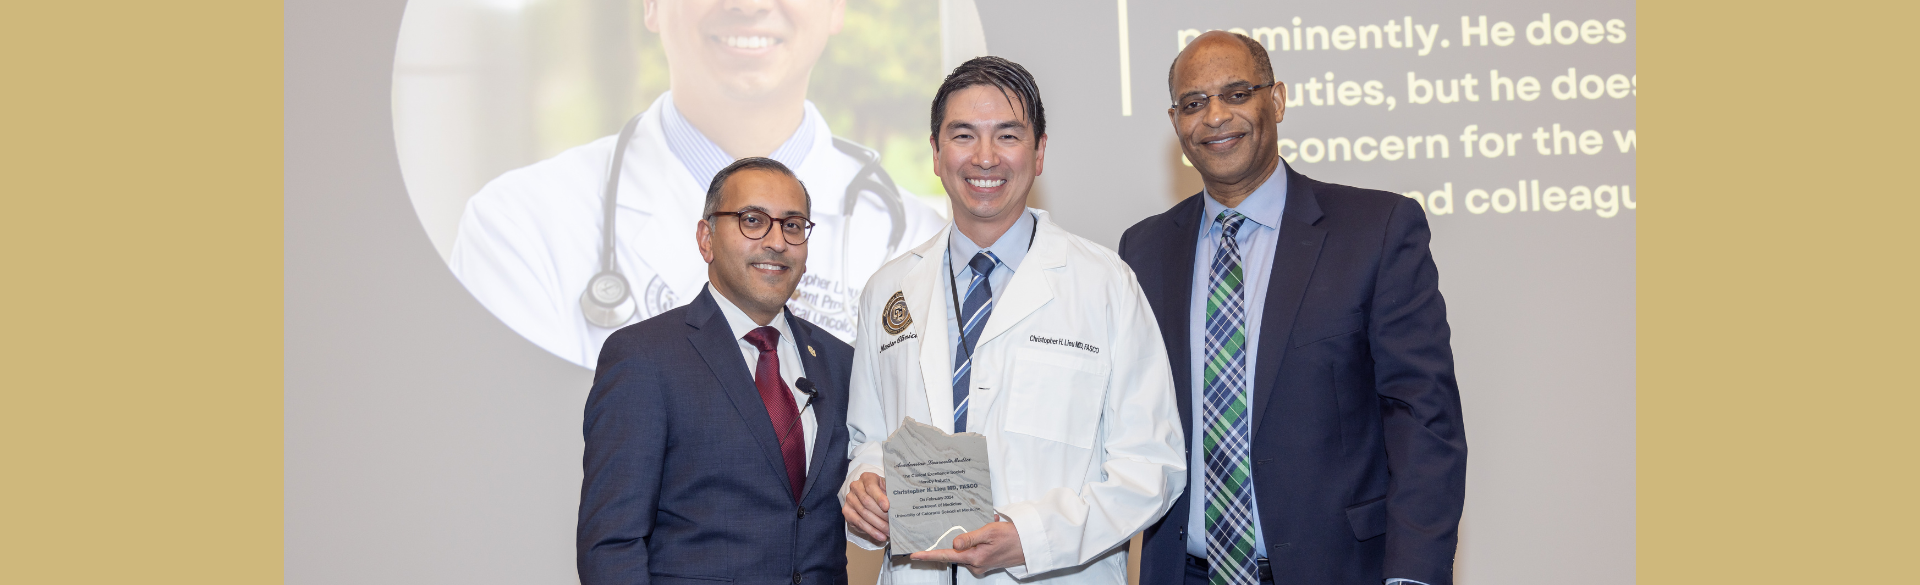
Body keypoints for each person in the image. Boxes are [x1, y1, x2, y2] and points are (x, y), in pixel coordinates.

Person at [1120, 32, 1468, 585]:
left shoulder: (1375, 230)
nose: (1214, 117)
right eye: (1194, 103)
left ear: (1276, 100)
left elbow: (1422, 416)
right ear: (1175, 121)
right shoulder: (1144, 250)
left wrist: (1414, 576)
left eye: (1236, 94)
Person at [838, 56, 1186, 585]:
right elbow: (868, 438)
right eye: (962, 135)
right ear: (934, 153)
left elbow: (1150, 466)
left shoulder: (1105, 285)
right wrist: (863, 486)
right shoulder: (888, 291)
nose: (984, 157)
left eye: (1007, 135)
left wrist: (1034, 537)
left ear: (1040, 151)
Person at [450, 0, 946, 367]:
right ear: (650, 5)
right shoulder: (519, 226)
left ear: (836, 7)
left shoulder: (916, 241)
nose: (749, 6)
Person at [578, 158, 855, 585]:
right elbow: (612, 544)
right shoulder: (643, 357)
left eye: (793, 225)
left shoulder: (838, 360)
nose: (777, 241)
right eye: (752, 220)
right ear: (706, 239)